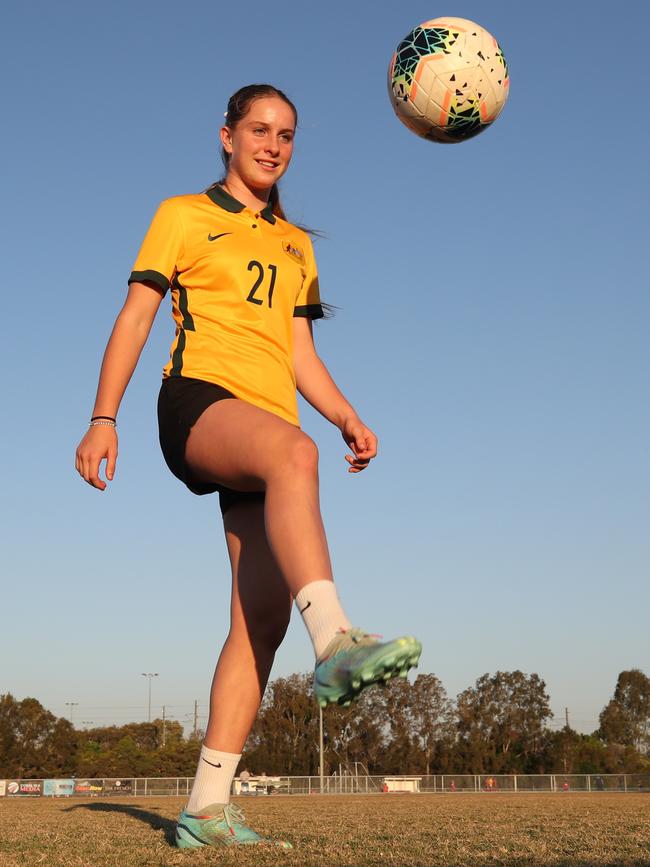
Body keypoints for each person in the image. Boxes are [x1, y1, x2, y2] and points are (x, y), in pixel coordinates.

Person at [75, 83, 421, 850]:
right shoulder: (183, 215)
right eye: (259, 129)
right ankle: (335, 642)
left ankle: (203, 805)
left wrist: (348, 415)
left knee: (258, 620)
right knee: (294, 455)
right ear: (225, 136)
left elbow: (300, 353)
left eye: (287, 134)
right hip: (196, 405)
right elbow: (135, 316)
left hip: (268, 431)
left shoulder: (297, 244)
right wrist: (104, 416)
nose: (273, 144)